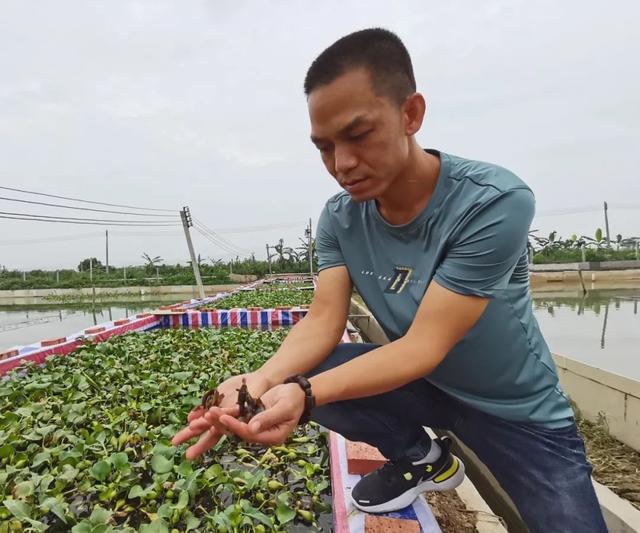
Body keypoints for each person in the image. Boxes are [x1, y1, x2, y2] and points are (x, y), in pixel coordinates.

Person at [172, 28, 608, 533]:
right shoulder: (340, 218)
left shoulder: (492, 201)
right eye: (325, 147)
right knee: (313, 367)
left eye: (358, 135)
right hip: (426, 387)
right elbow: (323, 320)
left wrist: (306, 395)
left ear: (411, 114)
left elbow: (425, 344)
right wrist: (261, 383)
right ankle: (422, 457)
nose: (342, 164)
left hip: (516, 411)